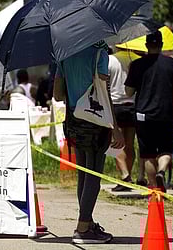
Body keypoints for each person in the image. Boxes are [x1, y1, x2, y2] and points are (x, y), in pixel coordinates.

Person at [53, 41, 124, 244]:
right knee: (94, 175)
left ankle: (87, 221)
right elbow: (103, 93)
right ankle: (83, 228)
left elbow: (57, 95)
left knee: (83, 173)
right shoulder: (99, 53)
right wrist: (115, 127)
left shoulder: (64, 53)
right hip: (95, 121)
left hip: (74, 119)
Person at [125, 31, 173, 192]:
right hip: (165, 114)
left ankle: (154, 190)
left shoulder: (137, 65)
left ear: (146, 45)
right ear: (161, 45)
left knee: (148, 154)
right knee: (166, 149)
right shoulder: (171, 63)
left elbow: (129, 92)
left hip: (143, 116)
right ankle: (161, 172)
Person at [109, 49, 146, 191]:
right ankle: (128, 174)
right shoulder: (137, 60)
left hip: (114, 105)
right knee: (130, 144)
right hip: (133, 104)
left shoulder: (110, 60)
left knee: (115, 143)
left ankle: (125, 176)